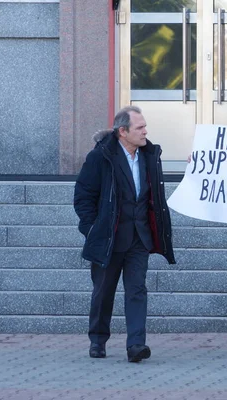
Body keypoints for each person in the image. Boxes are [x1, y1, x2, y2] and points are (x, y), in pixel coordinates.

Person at [74, 106, 175, 363]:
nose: (145, 131)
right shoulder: (100, 157)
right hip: (109, 238)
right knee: (103, 291)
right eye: (140, 128)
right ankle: (98, 339)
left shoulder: (149, 155)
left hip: (139, 237)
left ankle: (136, 345)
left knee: (137, 290)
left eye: (144, 126)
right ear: (123, 132)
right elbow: (84, 196)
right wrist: (92, 229)